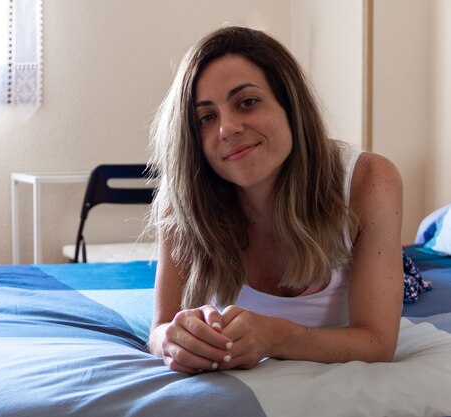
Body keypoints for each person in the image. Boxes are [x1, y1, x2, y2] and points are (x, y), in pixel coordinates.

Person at [147, 26, 403, 373]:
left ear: (290, 105)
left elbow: (377, 344)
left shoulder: (370, 180)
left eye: (247, 102)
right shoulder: (182, 200)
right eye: (206, 117)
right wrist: (174, 339)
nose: (227, 129)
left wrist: (277, 338)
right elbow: (159, 330)